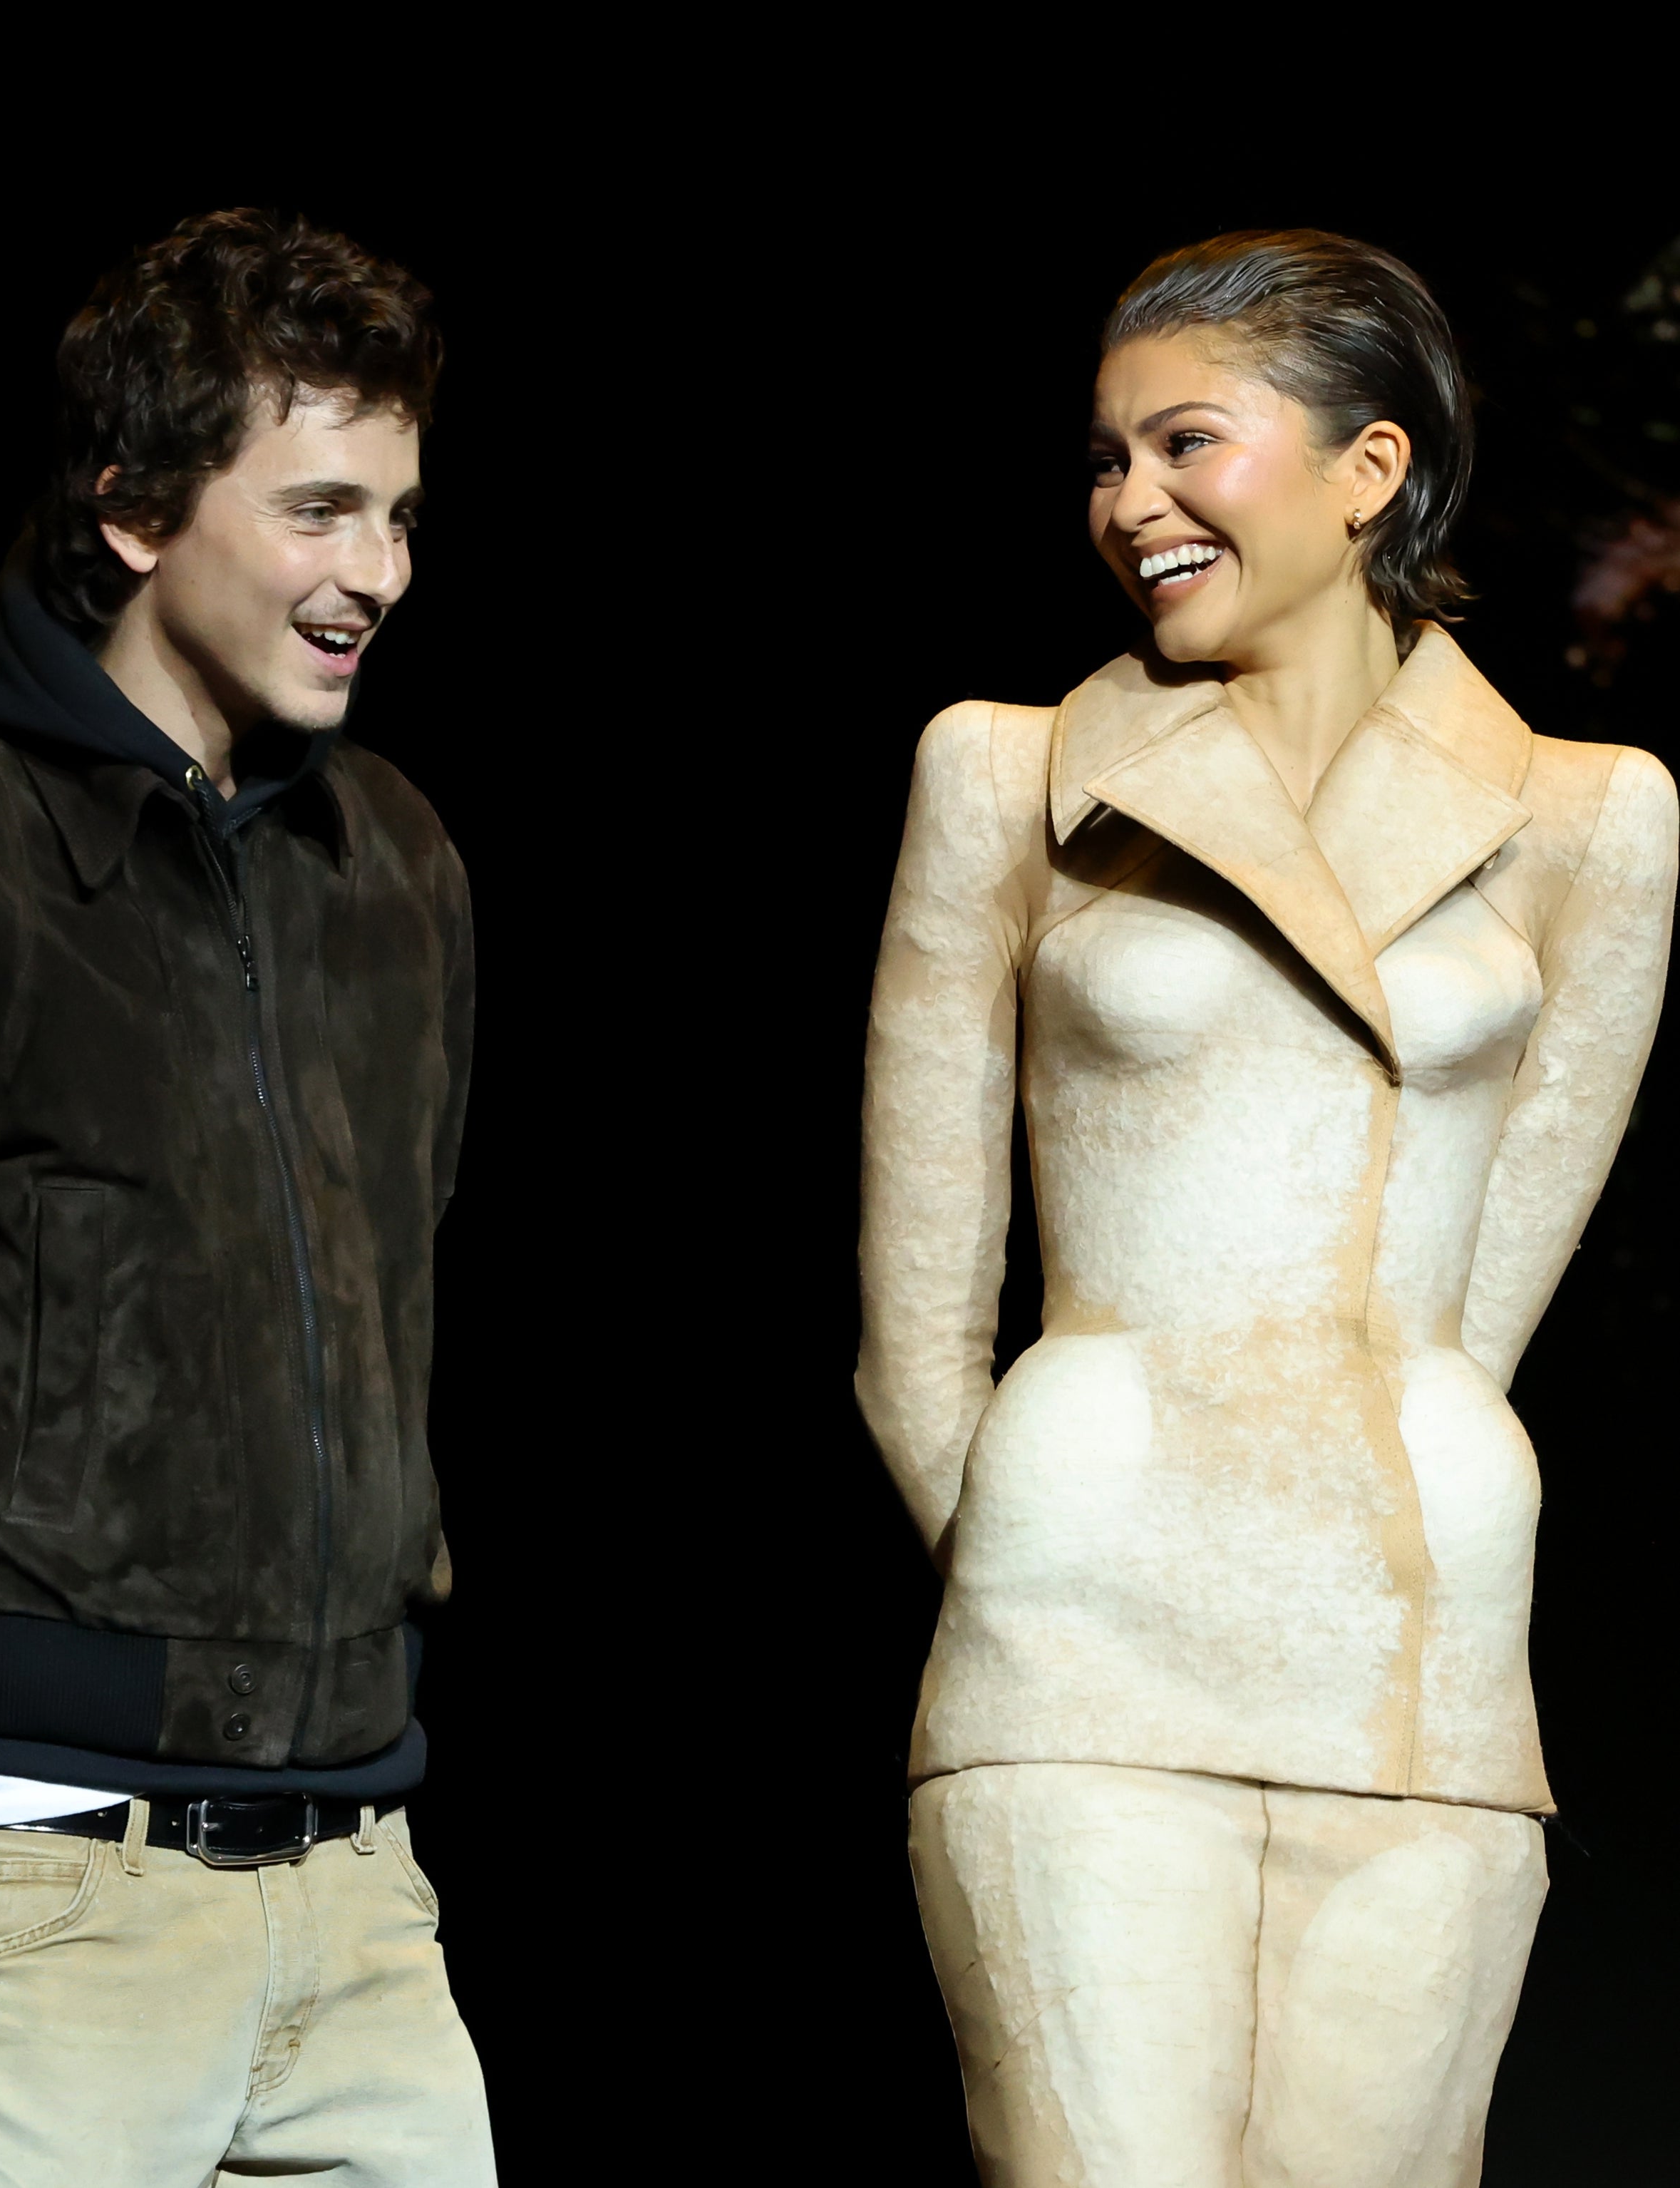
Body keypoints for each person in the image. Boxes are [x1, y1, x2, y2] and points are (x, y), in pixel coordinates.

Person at [857, 230, 1676, 2184]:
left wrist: (1389, 1502)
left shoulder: (1589, 817)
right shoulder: (1007, 775)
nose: (1128, 499)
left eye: (1184, 442)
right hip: (1084, 1613)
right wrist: (1046, 1550)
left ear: (1368, 469)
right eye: (1105, 456)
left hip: (1409, 1624)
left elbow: (1486, 1305)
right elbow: (912, 1333)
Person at [0, 208, 496, 2185]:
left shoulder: (398, 865)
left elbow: (397, 1296)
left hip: (357, 1881)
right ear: (132, 512)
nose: (378, 572)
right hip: (29, 1875)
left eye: (401, 517)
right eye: (321, 510)